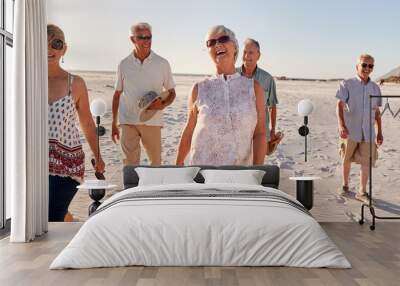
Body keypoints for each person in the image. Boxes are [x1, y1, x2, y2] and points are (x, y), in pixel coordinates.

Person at [176, 25, 266, 166]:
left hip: (240, 175)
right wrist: (178, 164)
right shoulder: (199, 88)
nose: (217, 44)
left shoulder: (254, 88)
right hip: (202, 174)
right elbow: (189, 130)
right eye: (211, 43)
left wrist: (257, 170)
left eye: (223, 39)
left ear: (235, 47)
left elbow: (260, 133)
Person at [47, 24, 105, 222]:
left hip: (66, 164)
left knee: (52, 215)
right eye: (44, 43)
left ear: (64, 49)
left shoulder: (76, 84)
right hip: (34, 163)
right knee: (50, 214)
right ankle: (77, 229)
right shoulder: (27, 81)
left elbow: (87, 123)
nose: (50, 49)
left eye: (56, 43)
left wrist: (98, 156)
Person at [111, 22, 176, 166]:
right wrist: (113, 123)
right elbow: (117, 94)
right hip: (128, 120)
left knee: (156, 164)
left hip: (152, 121)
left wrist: (162, 105)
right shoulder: (124, 64)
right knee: (129, 165)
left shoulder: (162, 63)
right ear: (132, 39)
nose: (147, 41)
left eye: (149, 37)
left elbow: (172, 92)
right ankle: (131, 188)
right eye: (142, 37)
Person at [336, 54, 383, 204]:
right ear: (357, 66)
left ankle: (362, 192)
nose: (367, 68)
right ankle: (345, 185)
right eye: (364, 65)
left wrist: (380, 132)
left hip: (368, 132)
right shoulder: (347, 84)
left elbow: (376, 112)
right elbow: (339, 105)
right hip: (350, 130)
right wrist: (341, 125)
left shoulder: (375, 87)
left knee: (366, 161)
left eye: (370, 66)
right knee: (346, 159)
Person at [237, 38, 282, 156]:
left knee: (258, 162)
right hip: (237, 130)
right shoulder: (232, 75)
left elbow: (272, 106)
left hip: (260, 129)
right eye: (244, 52)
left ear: (258, 55)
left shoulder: (267, 79)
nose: (246, 56)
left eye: (251, 52)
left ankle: (272, 143)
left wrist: (272, 130)